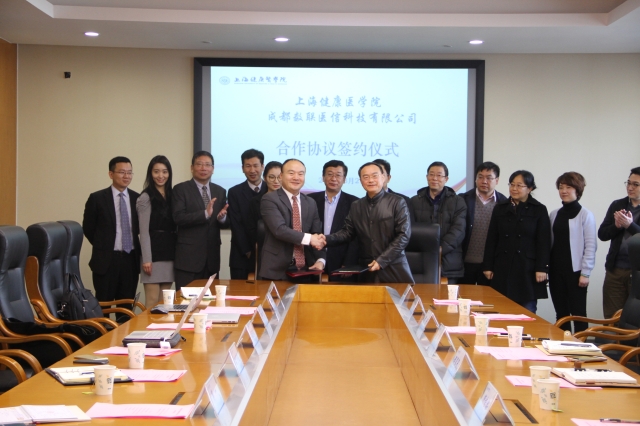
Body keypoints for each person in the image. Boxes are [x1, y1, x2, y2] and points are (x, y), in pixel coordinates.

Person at [324, 162, 414, 283]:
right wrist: (325, 239)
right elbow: (347, 232)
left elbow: (403, 235)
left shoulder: (397, 202)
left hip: (393, 268)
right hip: (366, 269)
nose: (370, 180)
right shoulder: (357, 205)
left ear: (383, 177)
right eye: (365, 177)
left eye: (374, 176)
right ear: (360, 181)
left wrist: (381, 261)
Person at [483, 170, 551, 313]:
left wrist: (542, 268)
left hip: (527, 268)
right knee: (500, 310)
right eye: (512, 184)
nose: (514, 188)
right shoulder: (500, 208)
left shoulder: (539, 209)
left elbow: (543, 242)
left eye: (519, 185)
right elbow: (492, 238)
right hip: (503, 265)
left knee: (527, 310)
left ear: (530, 188)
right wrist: (488, 265)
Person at [82, 156, 140, 320]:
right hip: (106, 261)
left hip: (130, 260)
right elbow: (88, 228)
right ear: (111, 174)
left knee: (126, 308)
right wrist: (104, 246)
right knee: (103, 306)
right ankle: (103, 335)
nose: (126, 176)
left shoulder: (137, 199)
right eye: (122, 172)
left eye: (129, 172)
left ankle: (124, 335)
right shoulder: (97, 198)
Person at [259, 159, 326, 281]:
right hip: (277, 270)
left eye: (300, 174)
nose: (296, 177)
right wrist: (310, 238)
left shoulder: (310, 203)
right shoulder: (269, 199)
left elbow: (316, 234)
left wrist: (320, 260)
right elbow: (279, 230)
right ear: (281, 176)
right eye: (291, 173)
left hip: (306, 270)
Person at [172, 151, 229, 290]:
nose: (204, 168)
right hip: (188, 260)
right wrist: (204, 214)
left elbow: (224, 223)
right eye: (199, 164)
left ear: (213, 169)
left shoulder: (220, 191)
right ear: (192, 167)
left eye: (207, 165)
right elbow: (178, 217)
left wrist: (222, 218)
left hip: (212, 259)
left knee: (212, 300)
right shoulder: (180, 189)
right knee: (185, 300)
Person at [549, 172, 597, 332]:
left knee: (579, 314)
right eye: (561, 187)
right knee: (561, 313)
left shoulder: (585, 215)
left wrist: (586, 273)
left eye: (568, 187)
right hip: (556, 271)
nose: (564, 191)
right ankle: (562, 345)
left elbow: (591, 245)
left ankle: (581, 346)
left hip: (576, 273)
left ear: (578, 189)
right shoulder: (554, 214)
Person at [409, 161, 466, 283]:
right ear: (427, 177)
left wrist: (440, 250)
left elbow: (458, 230)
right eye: (431, 174)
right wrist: (426, 250)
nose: (435, 178)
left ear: (446, 179)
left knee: (448, 295)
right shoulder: (414, 201)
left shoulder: (458, 202)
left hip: (449, 262)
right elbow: (411, 230)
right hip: (420, 262)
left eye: (439, 175)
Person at [598, 167, 640, 318]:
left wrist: (630, 225)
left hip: (637, 271)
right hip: (615, 269)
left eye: (635, 184)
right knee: (612, 317)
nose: (630, 187)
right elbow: (602, 234)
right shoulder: (617, 205)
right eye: (628, 183)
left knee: (634, 319)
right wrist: (616, 226)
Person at [136, 155, 176, 309]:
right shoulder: (146, 197)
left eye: (165, 172)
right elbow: (143, 231)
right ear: (150, 173)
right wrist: (147, 259)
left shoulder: (173, 195)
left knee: (165, 302)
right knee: (152, 302)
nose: (161, 176)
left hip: (169, 253)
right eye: (156, 171)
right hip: (153, 255)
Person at [308, 160, 359, 280]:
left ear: (344, 179)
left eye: (338, 175)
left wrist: (348, 263)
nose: (333, 178)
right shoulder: (310, 200)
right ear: (323, 177)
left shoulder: (355, 203)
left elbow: (356, 236)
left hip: (340, 261)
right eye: (330, 174)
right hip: (312, 259)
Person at [459, 162, 507, 285]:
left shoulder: (504, 203)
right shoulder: (462, 199)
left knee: (487, 297)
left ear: (497, 180)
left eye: (489, 178)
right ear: (475, 179)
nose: (484, 181)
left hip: (490, 265)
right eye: (480, 177)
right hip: (464, 262)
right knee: (463, 296)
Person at [228, 149, 267, 279]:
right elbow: (236, 224)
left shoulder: (271, 190)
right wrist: (248, 251)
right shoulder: (234, 192)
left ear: (262, 167)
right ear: (242, 168)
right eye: (248, 166)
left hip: (268, 255)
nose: (252, 170)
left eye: (256, 165)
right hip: (241, 254)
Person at [247, 161, 282, 251]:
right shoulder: (255, 202)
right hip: (263, 248)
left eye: (279, 177)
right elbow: (251, 229)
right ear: (265, 178)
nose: (276, 181)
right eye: (272, 177)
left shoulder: (290, 200)